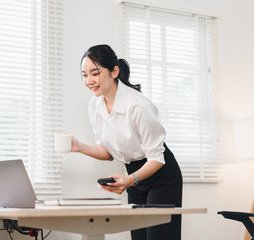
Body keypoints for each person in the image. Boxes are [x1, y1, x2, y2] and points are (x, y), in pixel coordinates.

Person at [70, 44, 183, 240]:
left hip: (161, 175)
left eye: (95, 73)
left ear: (114, 71)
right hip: (134, 177)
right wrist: (78, 147)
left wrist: (130, 180)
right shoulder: (94, 105)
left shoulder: (138, 105)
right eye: (84, 75)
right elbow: (108, 152)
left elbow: (156, 158)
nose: (89, 81)